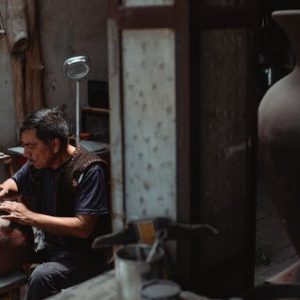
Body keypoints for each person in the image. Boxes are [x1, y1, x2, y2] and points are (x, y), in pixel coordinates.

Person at [0, 108, 111, 299]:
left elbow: (83, 227)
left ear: (54, 144)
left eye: (31, 146)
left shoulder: (90, 170)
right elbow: (16, 182)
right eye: (24, 146)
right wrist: (4, 190)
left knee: (41, 277)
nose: (26, 153)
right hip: (51, 247)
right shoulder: (40, 163)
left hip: (84, 256)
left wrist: (30, 217)